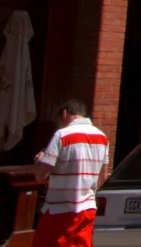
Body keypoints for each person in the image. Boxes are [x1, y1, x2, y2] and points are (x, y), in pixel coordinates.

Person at [32, 100, 108, 247]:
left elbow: (40, 175)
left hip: (59, 209)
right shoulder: (102, 138)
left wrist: (39, 161)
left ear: (64, 114)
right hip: (87, 208)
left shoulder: (62, 135)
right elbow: (102, 179)